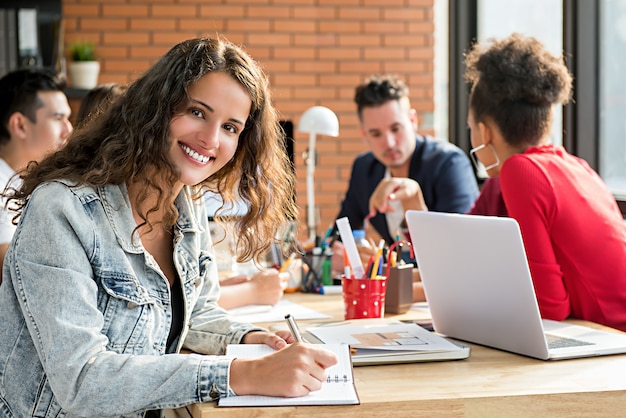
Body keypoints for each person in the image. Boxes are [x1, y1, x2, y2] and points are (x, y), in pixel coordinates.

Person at [0, 37, 337, 417]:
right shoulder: (63, 210)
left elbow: (197, 313)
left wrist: (253, 339)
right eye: (197, 112)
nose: (210, 139)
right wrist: (241, 373)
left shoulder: (185, 205)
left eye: (229, 127)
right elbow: (81, 380)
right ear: (156, 107)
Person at [465, 33, 626, 331]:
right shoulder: (577, 167)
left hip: (611, 343)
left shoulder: (520, 171)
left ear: (485, 133)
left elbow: (550, 307)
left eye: (470, 127)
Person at [331, 74, 479, 297]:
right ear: (364, 134)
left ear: (413, 120)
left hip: (445, 295)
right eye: (376, 134)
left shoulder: (449, 164)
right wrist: (349, 254)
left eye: (396, 128)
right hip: (398, 297)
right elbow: (342, 235)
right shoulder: (364, 168)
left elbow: (461, 249)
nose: (389, 143)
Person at [0, 68, 73, 280]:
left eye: (68, 118)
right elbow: (15, 274)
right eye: (58, 118)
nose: (68, 129)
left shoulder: (21, 183)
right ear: (20, 125)